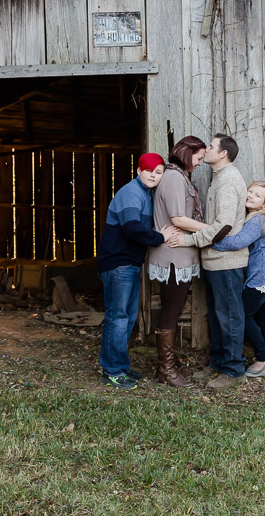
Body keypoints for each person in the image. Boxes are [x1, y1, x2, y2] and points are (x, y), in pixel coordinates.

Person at [168, 133, 247, 389]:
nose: (207, 150)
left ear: (223, 153)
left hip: (227, 262)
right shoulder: (219, 179)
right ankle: (218, 363)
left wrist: (189, 241)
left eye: (211, 147)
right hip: (214, 261)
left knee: (229, 317)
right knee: (216, 315)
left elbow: (223, 225)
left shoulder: (228, 181)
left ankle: (233, 370)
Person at [96, 153, 173, 390]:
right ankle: (111, 371)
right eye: (149, 170)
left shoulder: (144, 194)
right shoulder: (131, 192)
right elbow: (131, 228)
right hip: (118, 263)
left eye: (158, 172)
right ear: (139, 170)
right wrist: (160, 237)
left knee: (127, 318)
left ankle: (119, 365)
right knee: (118, 318)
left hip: (128, 264)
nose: (153, 175)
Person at [146, 136, 208, 387]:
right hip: (172, 256)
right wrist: (213, 229)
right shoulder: (173, 177)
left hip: (181, 256)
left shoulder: (180, 177)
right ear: (187, 152)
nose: (201, 163)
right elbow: (178, 218)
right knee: (171, 312)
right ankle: (166, 371)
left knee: (173, 308)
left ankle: (167, 367)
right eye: (199, 157)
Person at [211, 182, 265, 377]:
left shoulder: (256, 220)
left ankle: (263, 356)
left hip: (261, 277)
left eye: (257, 195)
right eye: (250, 191)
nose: (251, 195)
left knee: (241, 315)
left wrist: (212, 240)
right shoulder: (263, 219)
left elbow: (238, 242)